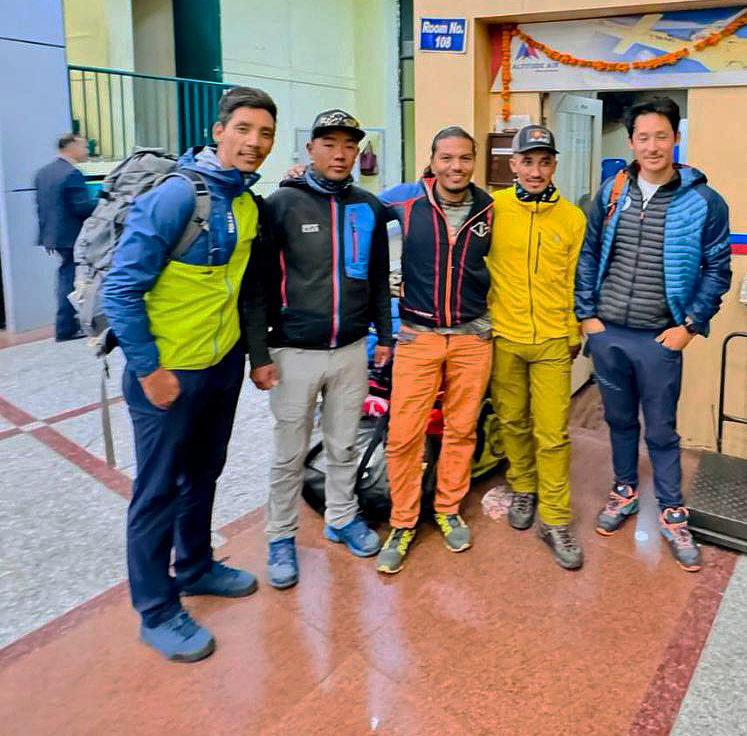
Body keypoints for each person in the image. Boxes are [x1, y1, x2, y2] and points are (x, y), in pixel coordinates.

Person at [103, 86, 277, 661]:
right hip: (167, 376)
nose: (254, 143)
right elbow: (122, 289)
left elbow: (245, 294)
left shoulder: (248, 204)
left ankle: (196, 566)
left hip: (219, 368)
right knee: (155, 492)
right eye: (245, 129)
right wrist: (150, 370)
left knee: (203, 473)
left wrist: (253, 359)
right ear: (219, 130)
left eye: (265, 134)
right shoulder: (176, 197)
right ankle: (155, 610)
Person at [574, 97, 732, 572]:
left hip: (660, 338)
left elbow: (717, 269)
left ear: (676, 138)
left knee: (661, 430)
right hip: (610, 334)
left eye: (661, 135)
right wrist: (588, 316)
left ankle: (670, 510)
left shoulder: (703, 200)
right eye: (643, 137)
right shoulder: (612, 192)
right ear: (631, 143)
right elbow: (588, 254)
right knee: (619, 422)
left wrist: (689, 326)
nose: (652, 145)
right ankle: (623, 491)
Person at [243, 109, 393, 591]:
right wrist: (259, 354)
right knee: (289, 453)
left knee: (344, 444)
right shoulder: (280, 205)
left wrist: (385, 337)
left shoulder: (367, 207)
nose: (340, 153)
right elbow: (256, 286)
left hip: (350, 349)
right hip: (293, 352)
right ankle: (280, 536)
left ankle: (342, 516)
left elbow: (376, 282)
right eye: (329, 143)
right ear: (310, 149)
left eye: (349, 145)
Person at [375, 127, 494, 575]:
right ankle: (403, 522)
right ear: (432, 159)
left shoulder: (489, 207)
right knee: (404, 435)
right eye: (446, 158)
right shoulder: (405, 201)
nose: (455, 167)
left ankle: (447, 508)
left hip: (471, 338)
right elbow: (349, 205)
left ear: (474, 161)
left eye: (464, 158)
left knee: (462, 430)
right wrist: (302, 177)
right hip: (418, 336)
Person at [487, 125, 586, 570]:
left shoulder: (571, 218)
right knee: (511, 420)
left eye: (544, 162)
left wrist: (572, 332)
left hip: (551, 340)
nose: (536, 170)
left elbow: (576, 281)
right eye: (528, 161)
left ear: (554, 166)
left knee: (553, 433)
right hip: (504, 336)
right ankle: (523, 488)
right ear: (513, 165)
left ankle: (556, 518)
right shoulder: (492, 208)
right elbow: (429, 191)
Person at [35, 133, 94, 341]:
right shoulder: (71, 173)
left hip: (54, 235)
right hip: (71, 236)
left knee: (66, 275)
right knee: (68, 278)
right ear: (71, 147)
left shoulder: (44, 173)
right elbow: (82, 207)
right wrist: (106, 202)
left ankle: (68, 323)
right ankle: (65, 327)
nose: (87, 151)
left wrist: (46, 236)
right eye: (84, 147)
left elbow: (41, 207)